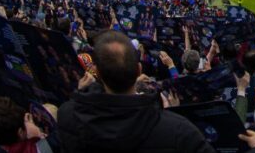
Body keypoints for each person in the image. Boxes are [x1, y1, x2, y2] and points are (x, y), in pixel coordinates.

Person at [56, 30, 215, 153]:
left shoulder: (67, 115)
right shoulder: (179, 130)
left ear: (97, 72)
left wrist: (82, 94)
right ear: (138, 69)